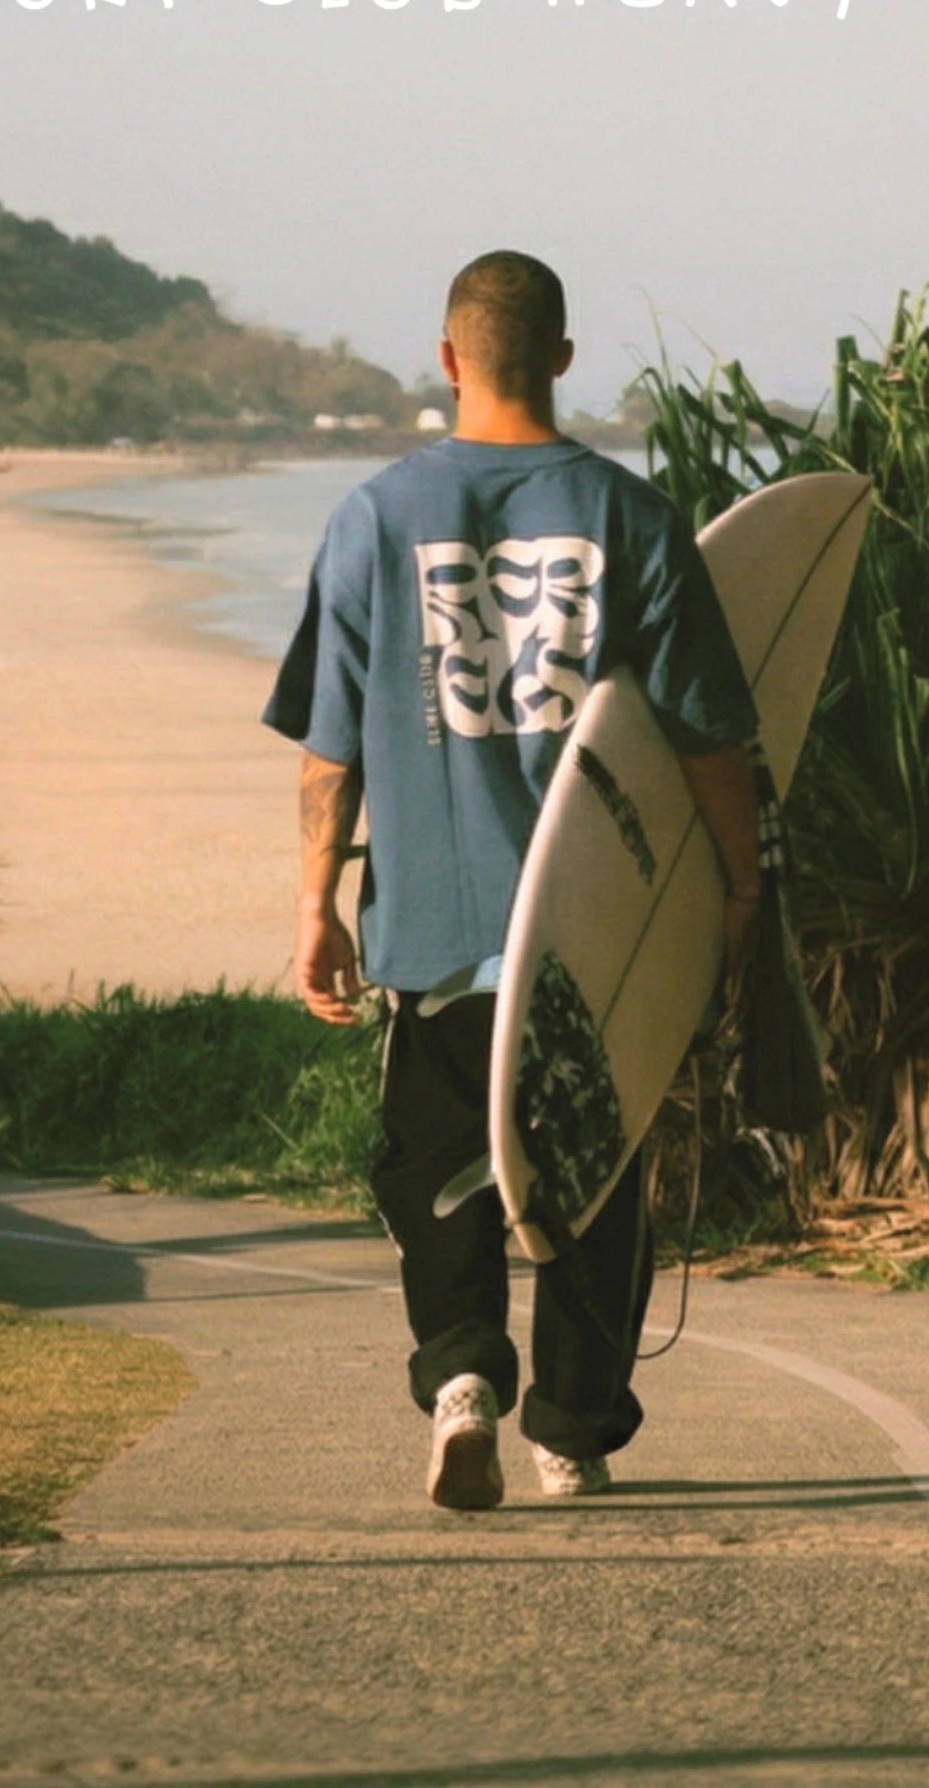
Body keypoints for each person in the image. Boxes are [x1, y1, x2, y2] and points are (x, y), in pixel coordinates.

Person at [262, 251, 762, 1512]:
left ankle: (461, 1380)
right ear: (563, 356)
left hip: (434, 928)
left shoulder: (371, 518)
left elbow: (332, 750)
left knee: (435, 1164)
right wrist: (736, 892)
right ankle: (573, 1428)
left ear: (445, 360)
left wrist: (317, 903)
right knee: (593, 1177)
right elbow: (708, 742)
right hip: (594, 930)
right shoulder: (629, 518)